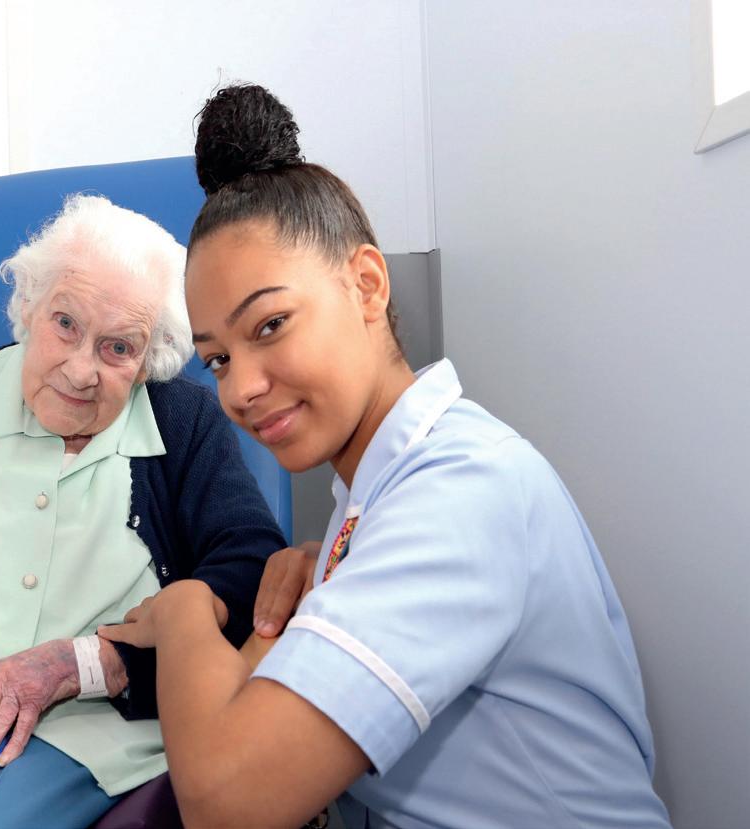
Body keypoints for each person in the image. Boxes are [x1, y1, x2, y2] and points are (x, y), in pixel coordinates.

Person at [100, 85, 673, 829]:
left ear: (367, 285)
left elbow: (227, 804)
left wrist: (182, 609)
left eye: (270, 325)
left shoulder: (463, 490)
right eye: (217, 360)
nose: (239, 389)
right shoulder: (375, 496)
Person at [0, 193, 286, 827]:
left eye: (118, 347)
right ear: (29, 306)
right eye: (65, 323)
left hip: (85, 735)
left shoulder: (183, 424)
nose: (80, 370)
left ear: (148, 361)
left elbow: (250, 573)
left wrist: (94, 664)